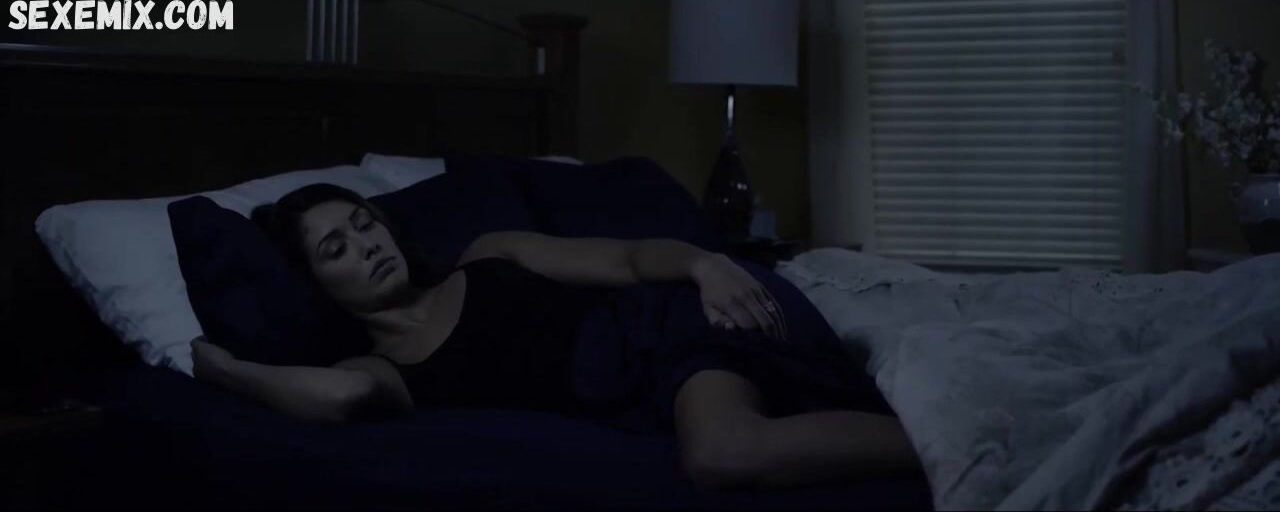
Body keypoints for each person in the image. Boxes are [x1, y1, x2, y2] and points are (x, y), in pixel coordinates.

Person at [190, 182, 921, 491]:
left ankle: (963, 438)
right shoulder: (384, 368)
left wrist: (706, 263)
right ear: (316, 283)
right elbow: (338, 396)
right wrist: (226, 372)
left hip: (668, 325)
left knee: (722, 453)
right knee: (723, 447)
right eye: (336, 249)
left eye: (364, 223)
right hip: (643, 395)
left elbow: (626, 259)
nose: (367, 244)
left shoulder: (487, 255)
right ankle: (945, 433)